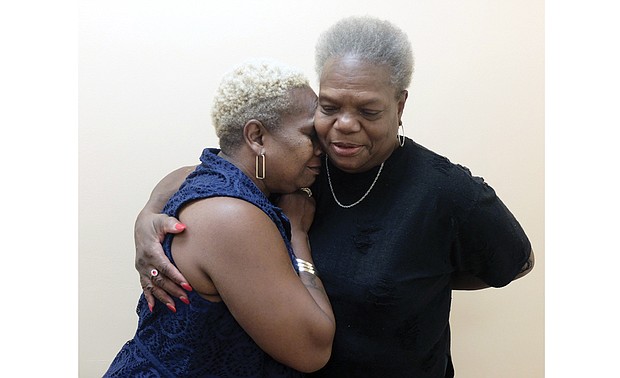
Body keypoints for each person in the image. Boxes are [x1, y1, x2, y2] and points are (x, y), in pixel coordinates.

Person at [133, 16, 535, 377]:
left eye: (368, 111)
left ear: (400, 105)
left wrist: (427, 278)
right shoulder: (298, 165)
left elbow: (517, 261)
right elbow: (210, 173)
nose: (344, 126)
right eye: (329, 107)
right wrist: (148, 217)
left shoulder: (445, 191)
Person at [104, 60, 335, 377]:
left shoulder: (210, 178)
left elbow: (182, 173)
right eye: (310, 134)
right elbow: (312, 350)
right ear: (257, 137)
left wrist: (146, 214)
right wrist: (297, 235)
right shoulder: (232, 218)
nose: (323, 146)